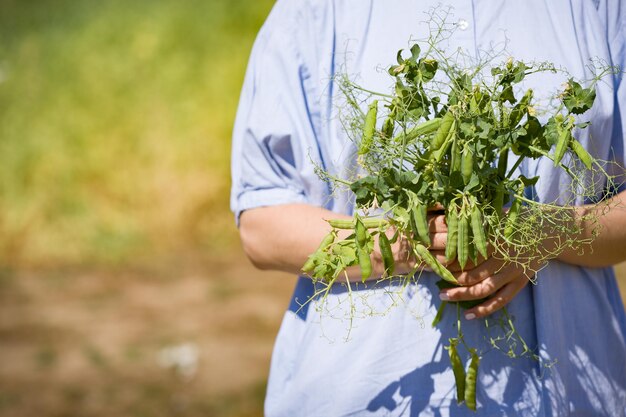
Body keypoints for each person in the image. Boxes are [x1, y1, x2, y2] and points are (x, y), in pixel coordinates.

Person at [230, 0, 626, 415]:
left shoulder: (597, 8)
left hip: (571, 390)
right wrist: (409, 242)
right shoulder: (316, 10)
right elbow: (262, 226)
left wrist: (542, 233)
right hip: (367, 392)